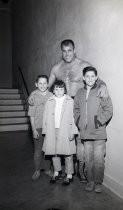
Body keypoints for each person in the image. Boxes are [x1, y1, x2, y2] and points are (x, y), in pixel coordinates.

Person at [28, 39, 109, 182]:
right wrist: (32, 94)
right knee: (59, 136)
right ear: (61, 52)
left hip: (77, 104)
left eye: (69, 50)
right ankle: (59, 169)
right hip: (61, 105)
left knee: (78, 139)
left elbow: (96, 79)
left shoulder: (83, 65)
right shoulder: (56, 68)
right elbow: (45, 88)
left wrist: (104, 86)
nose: (67, 54)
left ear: (74, 50)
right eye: (64, 51)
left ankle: (80, 169)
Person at [74, 66, 113, 193]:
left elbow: (109, 110)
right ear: (83, 78)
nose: (90, 78)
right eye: (87, 76)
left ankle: (98, 182)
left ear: (96, 77)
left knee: (99, 159)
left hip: (98, 133)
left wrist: (97, 122)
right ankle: (90, 181)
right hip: (85, 133)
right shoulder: (79, 93)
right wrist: (79, 122)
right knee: (88, 159)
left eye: (92, 76)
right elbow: (76, 110)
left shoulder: (102, 90)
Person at [42, 80, 78, 185]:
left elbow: (74, 117)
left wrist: (73, 131)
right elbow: (45, 116)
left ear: (64, 90)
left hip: (66, 130)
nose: (58, 91)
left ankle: (69, 174)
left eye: (61, 89)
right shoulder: (50, 101)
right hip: (52, 130)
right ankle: (57, 172)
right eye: (56, 89)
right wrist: (45, 131)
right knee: (54, 152)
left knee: (68, 153)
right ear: (53, 90)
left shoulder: (69, 100)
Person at [28, 75, 53, 180]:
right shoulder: (33, 97)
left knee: (48, 150)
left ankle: (47, 169)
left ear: (48, 84)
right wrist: (33, 129)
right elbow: (32, 115)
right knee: (38, 150)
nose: (42, 85)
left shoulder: (52, 95)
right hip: (38, 127)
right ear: (36, 84)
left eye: (44, 83)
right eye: (40, 83)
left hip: (50, 128)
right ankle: (37, 170)